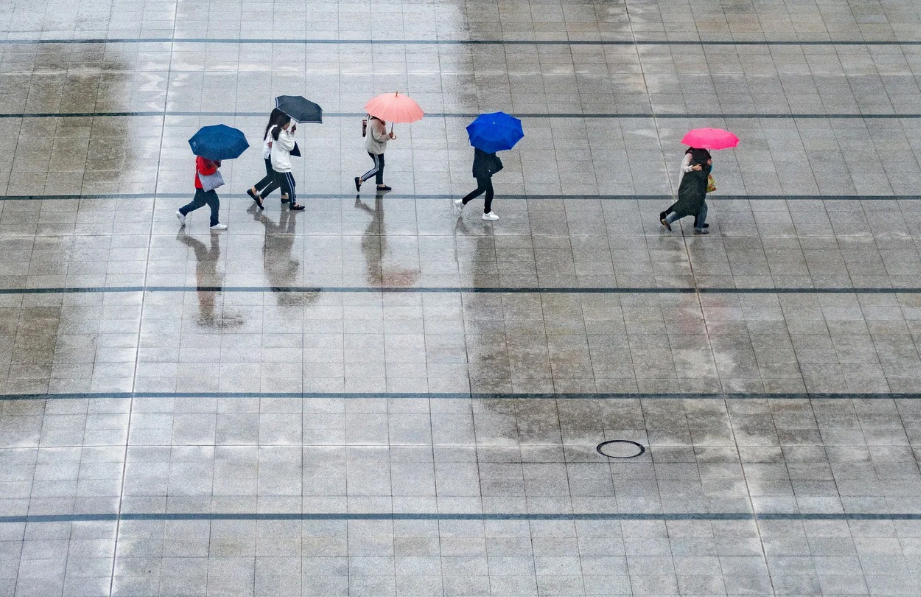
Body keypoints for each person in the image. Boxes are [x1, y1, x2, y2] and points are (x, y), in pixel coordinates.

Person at [660, 148, 711, 234]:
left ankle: (668, 220)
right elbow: (701, 175)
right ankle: (699, 227)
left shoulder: (697, 159)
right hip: (692, 191)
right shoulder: (694, 163)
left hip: (691, 190)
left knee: (686, 209)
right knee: (703, 208)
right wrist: (707, 166)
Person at [247, 108, 288, 209]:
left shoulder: (274, 126)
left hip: (269, 155)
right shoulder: (274, 127)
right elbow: (270, 144)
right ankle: (261, 195)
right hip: (271, 156)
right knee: (279, 178)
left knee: (272, 176)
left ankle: (254, 189)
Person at [176, 155, 226, 230]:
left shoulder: (205, 156)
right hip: (203, 186)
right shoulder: (202, 158)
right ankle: (214, 223)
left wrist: (217, 162)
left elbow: (210, 165)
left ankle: (182, 212)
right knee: (215, 203)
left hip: (201, 185)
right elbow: (203, 171)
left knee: (199, 202)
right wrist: (214, 168)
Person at [454, 147, 502, 221]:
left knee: (482, 189)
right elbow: (489, 156)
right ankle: (487, 213)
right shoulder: (486, 144)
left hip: (480, 168)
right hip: (483, 170)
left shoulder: (481, 143)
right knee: (489, 191)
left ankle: (463, 202)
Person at [270, 114, 305, 211]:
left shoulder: (279, 131)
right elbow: (290, 146)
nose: (289, 124)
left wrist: (292, 132)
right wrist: (292, 135)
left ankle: (285, 198)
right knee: (291, 184)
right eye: (289, 123)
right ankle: (293, 203)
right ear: (285, 123)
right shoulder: (281, 135)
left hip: (278, 162)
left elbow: (287, 139)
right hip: (282, 164)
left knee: (286, 182)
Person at [354, 115, 394, 192]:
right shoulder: (377, 123)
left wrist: (382, 124)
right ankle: (360, 179)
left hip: (376, 147)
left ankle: (380, 184)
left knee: (381, 164)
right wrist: (389, 136)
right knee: (378, 168)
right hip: (375, 149)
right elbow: (378, 137)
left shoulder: (373, 119)